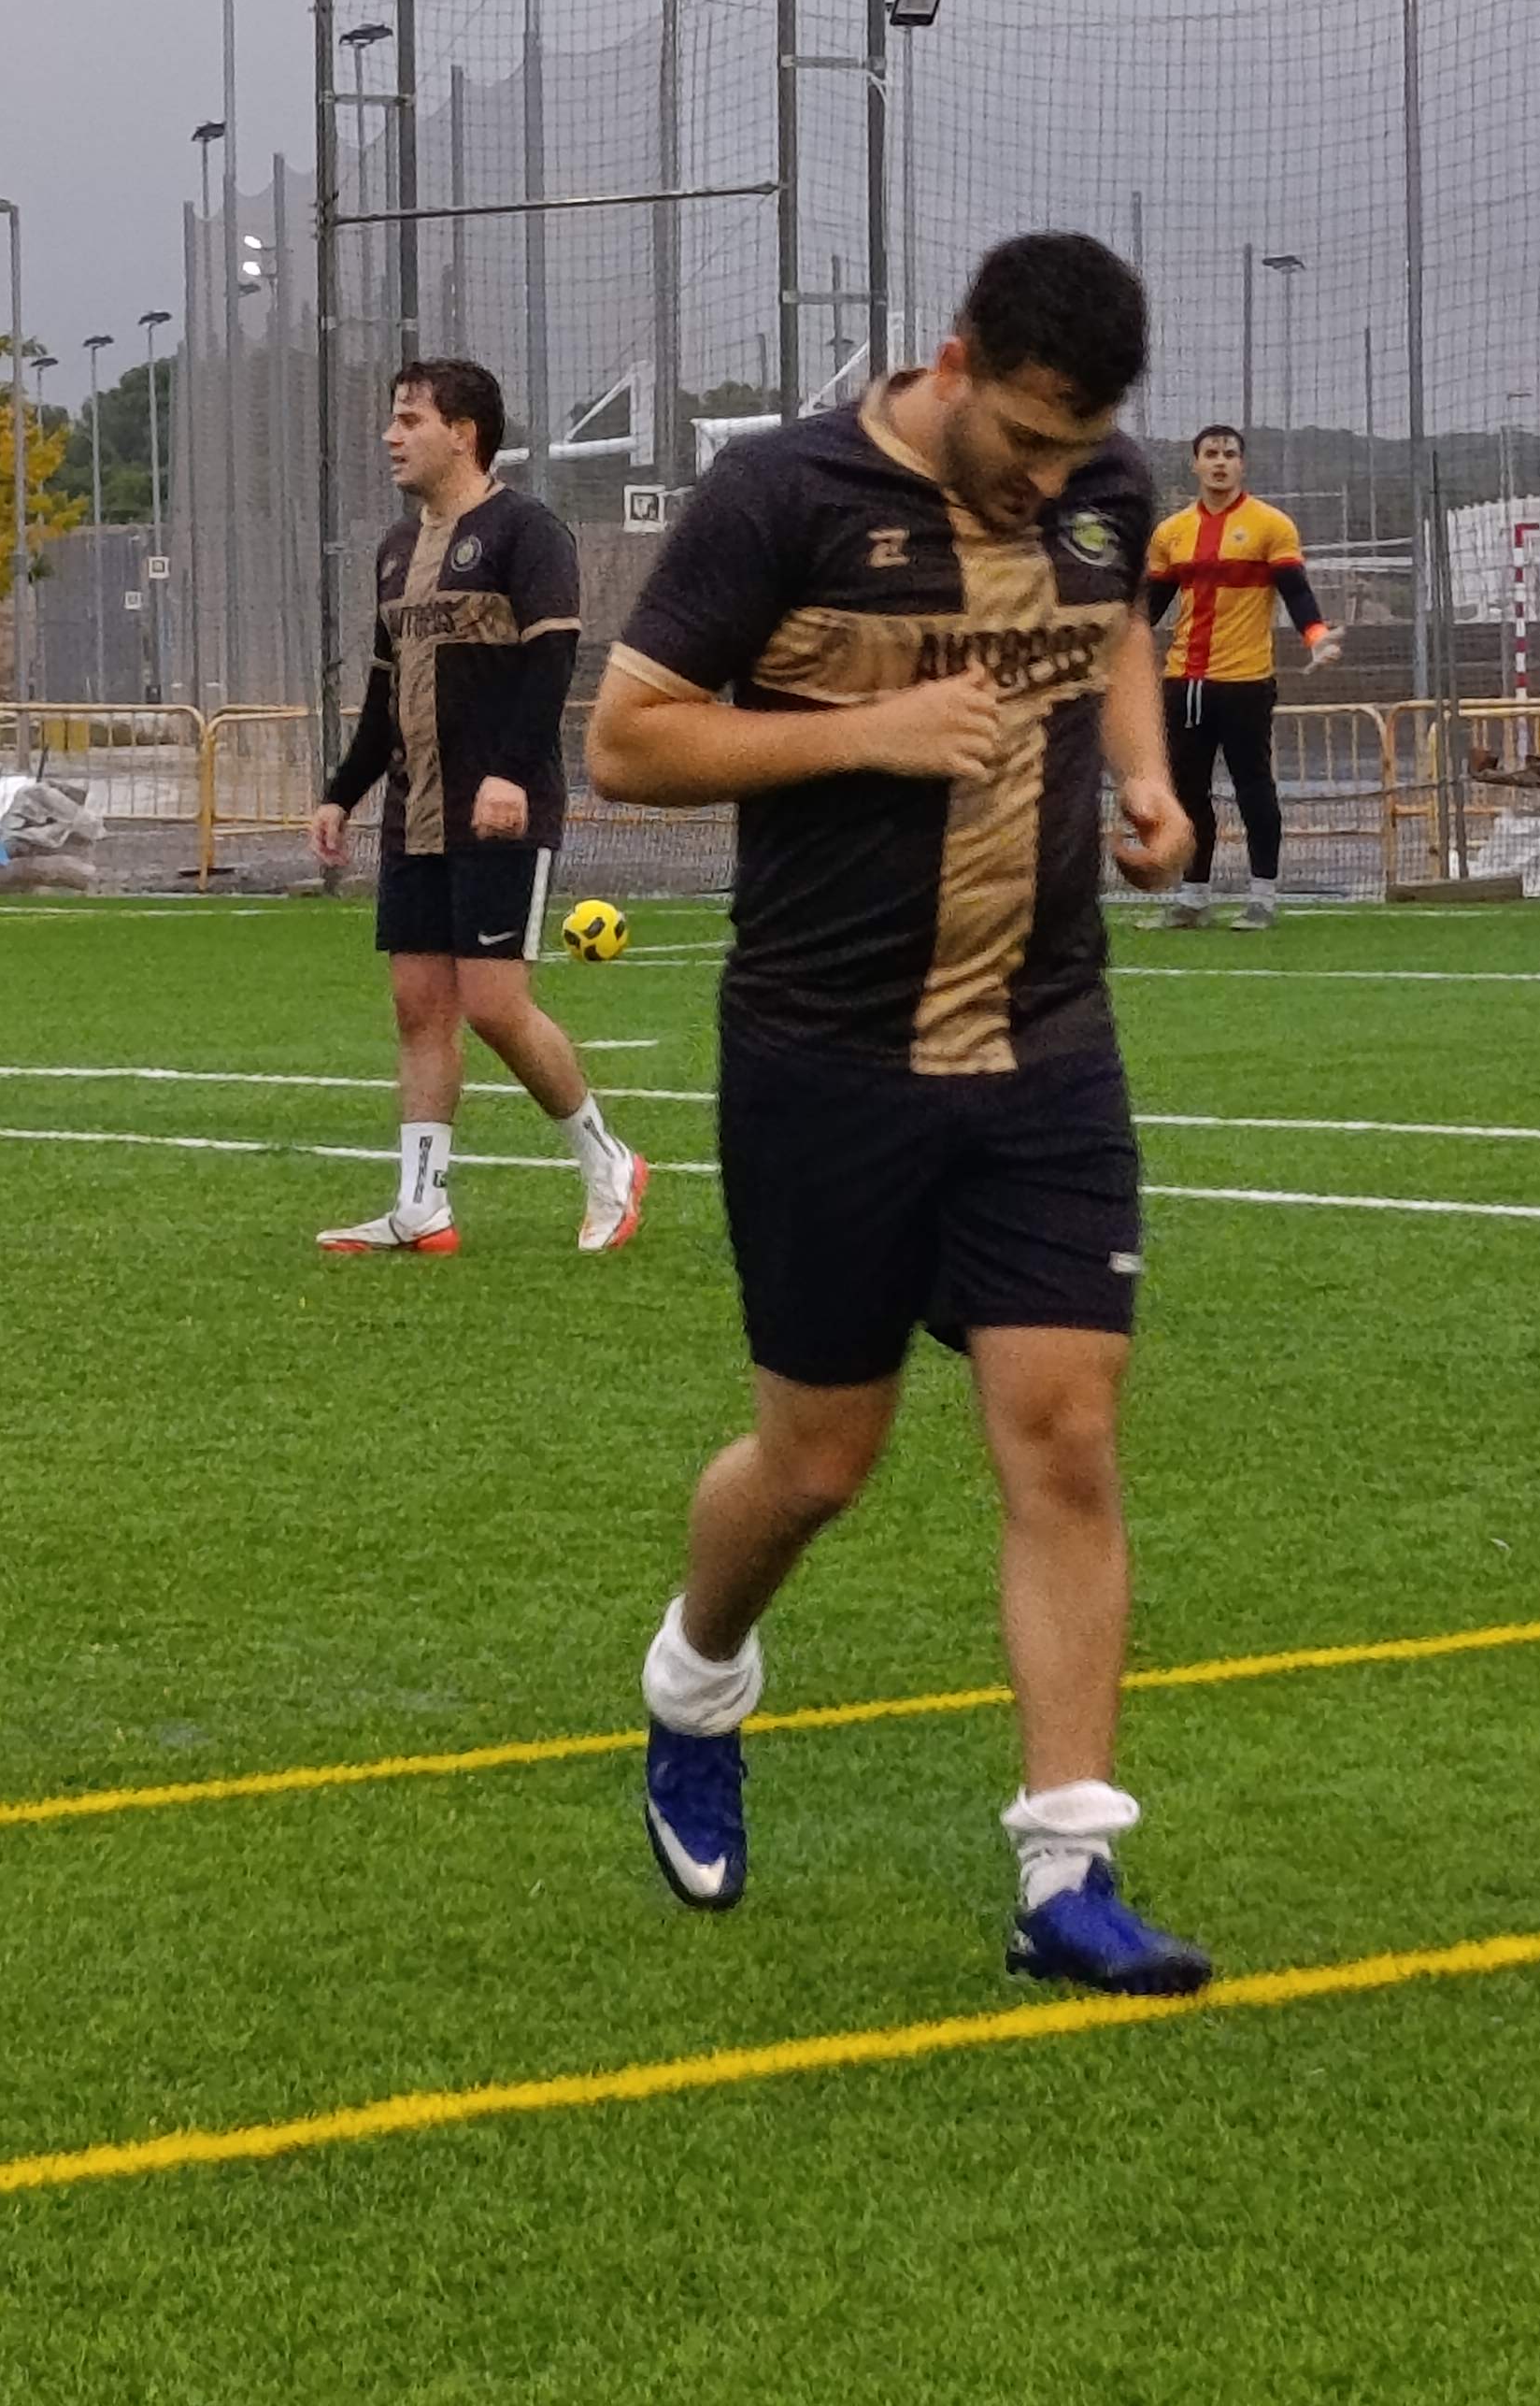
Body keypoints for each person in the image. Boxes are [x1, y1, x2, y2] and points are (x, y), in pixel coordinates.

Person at [587, 233, 1212, 1996]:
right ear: (952, 365)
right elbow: (628, 743)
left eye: (1078, 452)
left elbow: (1116, 625)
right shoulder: (781, 495)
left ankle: (1066, 1870)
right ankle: (697, 1675)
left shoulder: (1103, 492)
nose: (1047, 483)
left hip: (1045, 1046)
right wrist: (867, 733)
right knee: (818, 1463)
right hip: (825, 1055)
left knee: (1066, 1433)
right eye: (1022, 441)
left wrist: (1150, 781)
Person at [311, 358, 648, 1256]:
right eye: (393, 418)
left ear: (463, 434)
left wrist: (508, 772)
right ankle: (421, 1205)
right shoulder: (395, 548)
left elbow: (551, 664)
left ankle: (609, 1161)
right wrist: (342, 792)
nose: (391, 435)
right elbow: (384, 693)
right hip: (415, 812)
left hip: (500, 809)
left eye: (410, 419)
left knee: (495, 1005)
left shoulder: (527, 532)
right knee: (419, 1006)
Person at [1140, 422, 1338, 929]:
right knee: (1188, 792)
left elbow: (1296, 591)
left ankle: (1262, 897)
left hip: (1246, 683)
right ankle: (1193, 897)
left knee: (1253, 787)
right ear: (1195, 464)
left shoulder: (1271, 525)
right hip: (1185, 682)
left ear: (1242, 464)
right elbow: (1148, 609)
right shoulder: (1171, 533)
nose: (1220, 462)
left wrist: (1316, 636)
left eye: (1229, 454)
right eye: (1211, 454)